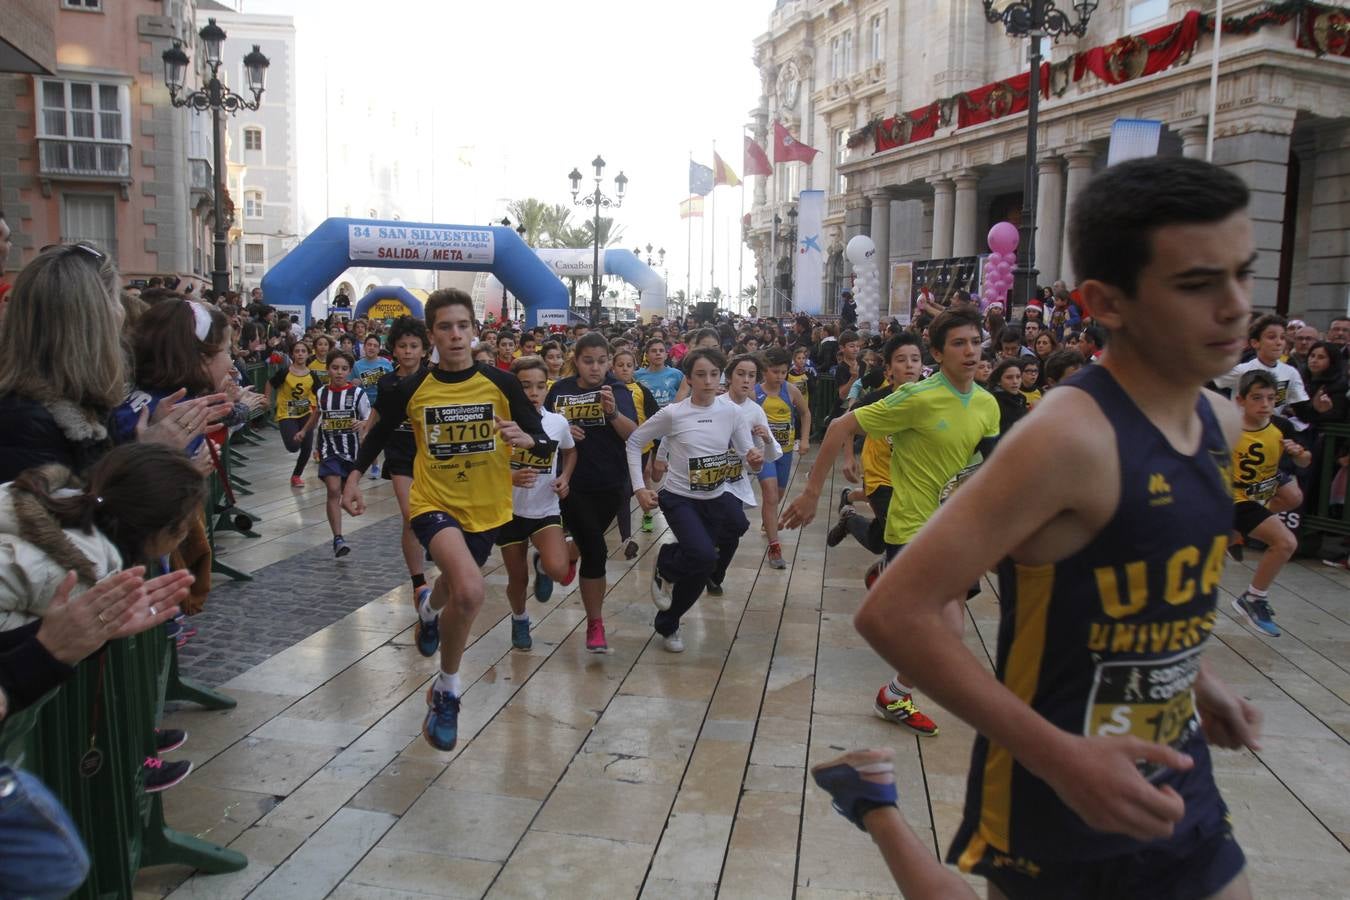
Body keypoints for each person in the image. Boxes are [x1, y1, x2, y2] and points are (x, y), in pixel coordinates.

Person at [852, 156, 1262, 898]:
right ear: (1106, 301)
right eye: (1199, 284)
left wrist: (1202, 680)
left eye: (1243, 273)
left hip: (1175, 770)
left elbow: (1142, 591)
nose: (1237, 306)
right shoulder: (1066, 440)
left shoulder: (1221, 425)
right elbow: (893, 610)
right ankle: (877, 808)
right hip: (1059, 791)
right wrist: (1061, 757)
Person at [341, 289, 551, 751]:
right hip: (432, 502)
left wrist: (528, 439)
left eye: (462, 326)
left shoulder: (503, 383)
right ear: (431, 334)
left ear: (475, 329)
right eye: (444, 327)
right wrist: (354, 476)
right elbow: (377, 434)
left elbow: (542, 438)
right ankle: (447, 690)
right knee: (472, 591)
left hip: (488, 509)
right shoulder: (410, 387)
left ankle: (429, 611)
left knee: (453, 587)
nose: (455, 336)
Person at [782, 307, 999, 737]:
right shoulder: (916, 397)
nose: (970, 351)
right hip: (914, 526)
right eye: (959, 343)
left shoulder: (987, 404)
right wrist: (810, 492)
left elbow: (983, 466)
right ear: (937, 352)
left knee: (948, 629)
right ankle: (895, 693)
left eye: (975, 341)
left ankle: (894, 683)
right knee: (948, 628)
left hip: (955, 529)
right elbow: (842, 426)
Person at [1, 443, 204, 792]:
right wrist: (49, 648)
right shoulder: (81, 567)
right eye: (185, 528)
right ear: (162, 531)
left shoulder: (62, 507)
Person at [0, 244, 228, 483]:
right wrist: (147, 457)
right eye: (116, 297)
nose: (124, 311)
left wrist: (150, 437)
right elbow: (76, 513)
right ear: (94, 316)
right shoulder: (25, 420)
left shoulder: (87, 398)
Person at [628, 348, 761, 652]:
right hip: (678, 498)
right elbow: (635, 442)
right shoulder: (674, 413)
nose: (708, 381)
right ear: (688, 378)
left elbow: (745, 453)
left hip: (716, 497)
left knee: (702, 567)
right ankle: (666, 564)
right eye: (700, 375)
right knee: (703, 556)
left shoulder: (732, 413)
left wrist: (754, 457)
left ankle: (669, 622)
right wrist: (639, 487)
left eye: (714, 374)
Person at [545, 332, 638, 653]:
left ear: (609, 361)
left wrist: (612, 413)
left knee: (588, 542)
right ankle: (595, 623)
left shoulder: (618, 390)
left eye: (601, 361)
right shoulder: (560, 390)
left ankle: (562, 556)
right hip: (572, 483)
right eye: (588, 361)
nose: (595, 368)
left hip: (610, 483)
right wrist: (562, 431)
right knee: (597, 551)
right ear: (576, 361)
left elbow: (634, 435)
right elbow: (540, 426)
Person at [498, 356, 578, 650]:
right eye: (525, 386)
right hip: (508, 512)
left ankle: (543, 566)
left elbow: (570, 451)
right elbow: (482, 467)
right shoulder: (501, 424)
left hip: (545, 508)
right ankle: (520, 619)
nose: (533, 393)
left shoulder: (556, 422)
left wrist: (565, 477)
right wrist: (510, 476)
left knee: (560, 569)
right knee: (517, 579)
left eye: (540, 386)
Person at [827, 334, 924, 565]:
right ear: (889, 369)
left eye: (915, 359)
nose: (909, 365)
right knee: (899, 532)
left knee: (878, 541)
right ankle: (889, 571)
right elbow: (845, 424)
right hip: (879, 476)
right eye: (901, 360)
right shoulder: (877, 399)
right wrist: (849, 457)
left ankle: (849, 519)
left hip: (910, 479)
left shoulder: (928, 398)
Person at [1229, 369, 1311, 638]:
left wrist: (1299, 454)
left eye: (1270, 398)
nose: (1264, 404)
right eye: (1257, 398)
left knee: (1293, 496)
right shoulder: (1229, 429)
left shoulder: (1280, 426)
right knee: (1285, 542)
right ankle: (1253, 598)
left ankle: (1236, 535)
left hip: (1263, 486)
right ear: (1241, 400)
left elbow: (1305, 461)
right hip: (1237, 497)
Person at [372, 317, 431, 607]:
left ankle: (437, 545)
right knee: (411, 517)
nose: (408, 351)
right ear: (393, 350)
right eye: (402, 346)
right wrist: (366, 437)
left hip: (432, 456)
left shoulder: (433, 378)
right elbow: (380, 415)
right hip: (399, 455)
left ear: (424, 350)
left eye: (414, 346)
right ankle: (418, 582)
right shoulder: (387, 382)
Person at [297, 350, 371, 558]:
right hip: (329, 449)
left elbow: (369, 418)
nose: (339, 373)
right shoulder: (321, 393)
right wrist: (304, 431)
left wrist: (363, 423)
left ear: (349, 371)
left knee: (349, 490)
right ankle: (338, 538)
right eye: (335, 368)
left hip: (351, 451)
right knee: (332, 489)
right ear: (328, 369)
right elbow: (317, 414)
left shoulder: (358, 394)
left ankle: (354, 498)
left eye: (344, 369)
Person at [756, 347, 812, 570]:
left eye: (783, 372)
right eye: (774, 372)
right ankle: (774, 546)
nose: (779, 376)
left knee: (777, 494)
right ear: (764, 371)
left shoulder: (790, 391)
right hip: (763, 454)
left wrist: (805, 439)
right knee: (770, 495)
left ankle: (767, 521)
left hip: (785, 452)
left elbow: (805, 413)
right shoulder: (755, 392)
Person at [610, 347, 658, 559]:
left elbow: (655, 415)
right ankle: (626, 539)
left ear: (635, 367)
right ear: (612, 367)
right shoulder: (608, 390)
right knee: (623, 491)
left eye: (629, 365)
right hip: (618, 450)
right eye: (620, 365)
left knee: (630, 488)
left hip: (642, 448)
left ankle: (645, 513)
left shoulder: (641, 390)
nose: (625, 369)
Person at [1214, 313, 1310, 416]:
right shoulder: (1242, 370)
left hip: (1272, 429)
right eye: (1272, 337)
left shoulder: (1291, 372)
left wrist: (1319, 409)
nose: (1279, 342)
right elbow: (1209, 386)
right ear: (1255, 343)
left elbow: (1302, 410)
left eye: (1282, 338)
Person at [266, 340, 323, 488]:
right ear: (292, 354)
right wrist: (266, 400)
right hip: (287, 413)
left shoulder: (312, 375)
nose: (300, 354)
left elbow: (320, 393)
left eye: (303, 351)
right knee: (293, 446)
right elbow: (270, 383)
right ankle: (294, 444)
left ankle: (296, 476)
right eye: (297, 351)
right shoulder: (285, 372)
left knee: (307, 447)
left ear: (308, 354)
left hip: (306, 413)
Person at [353, 335, 394, 479]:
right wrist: (354, 382)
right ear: (364, 347)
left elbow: (393, 380)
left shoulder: (386, 364)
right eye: (369, 344)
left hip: (384, 404)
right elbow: (350, 383)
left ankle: (388, 464)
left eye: (375, 345)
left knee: (385, 435)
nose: (371, 348)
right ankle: (374, 465)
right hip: (365, 406)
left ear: (379, 348)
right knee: (369, 436)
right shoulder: (357, 365)